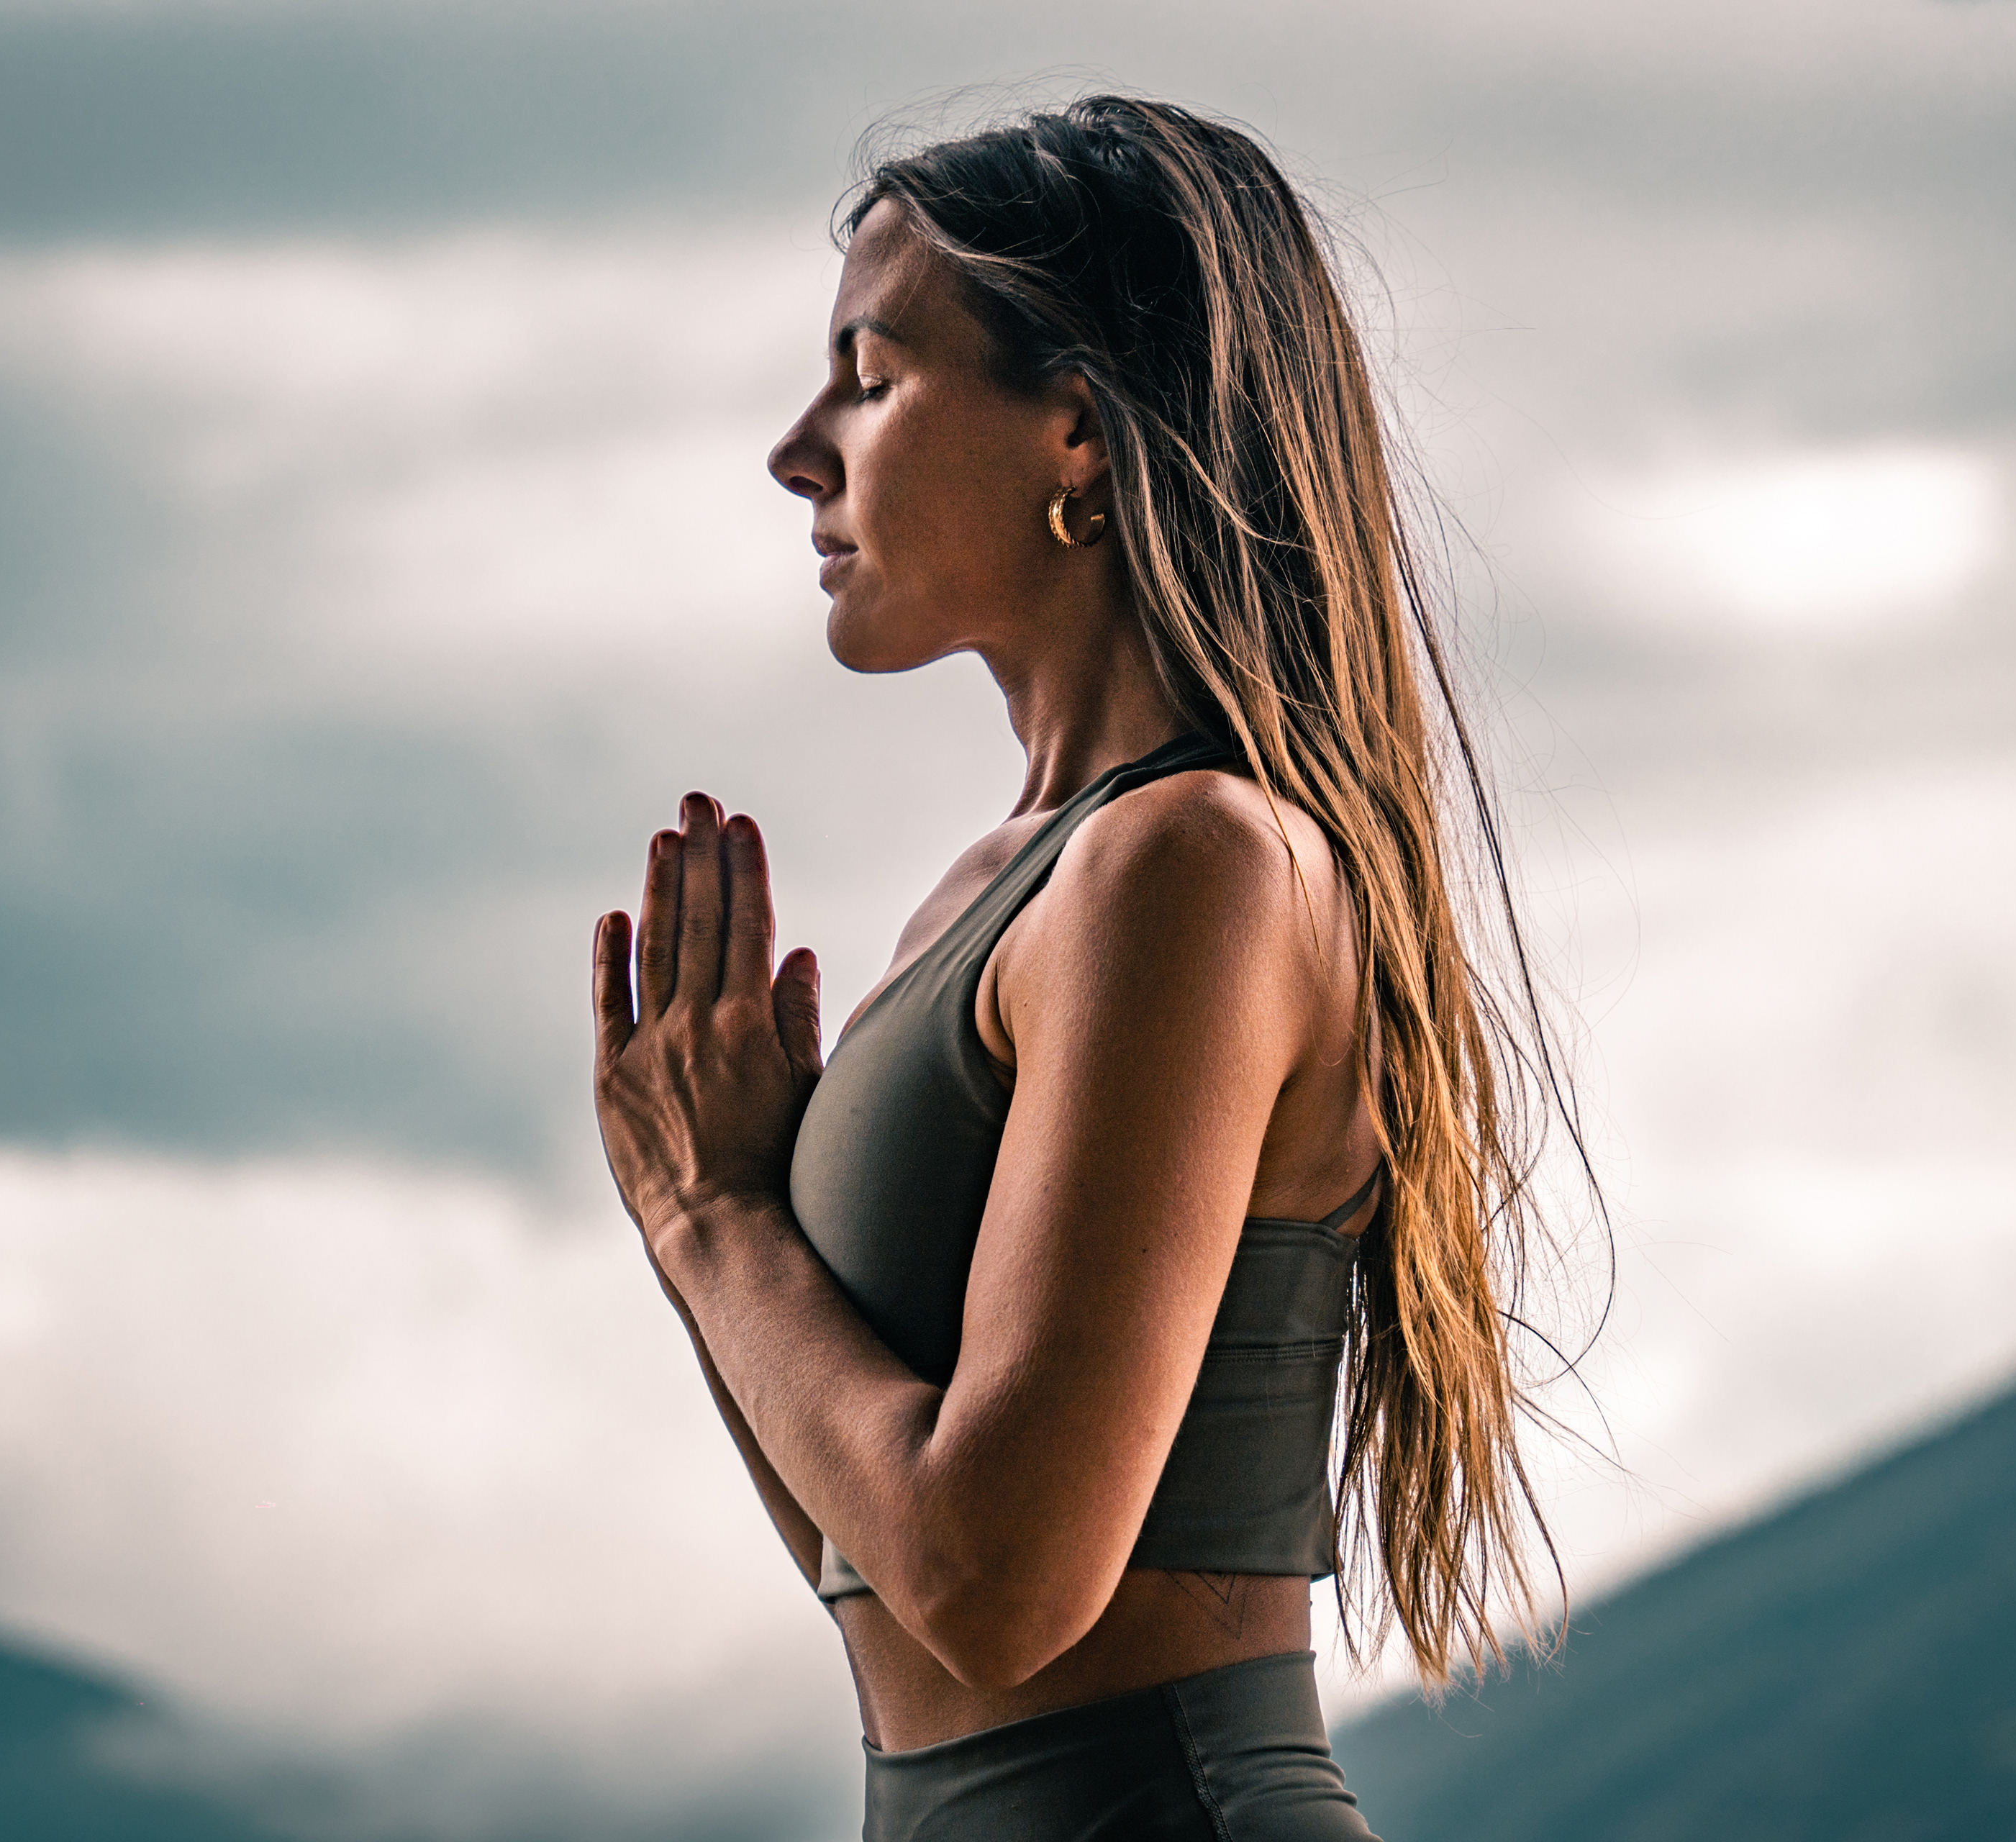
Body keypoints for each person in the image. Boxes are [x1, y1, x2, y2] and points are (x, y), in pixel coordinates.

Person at [592, 94, 1579, 1842]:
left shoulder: (1187, 863)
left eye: (872, 376)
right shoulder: (1012, 894)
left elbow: (994, 1579)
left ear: (1078, 433)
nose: (798, 451)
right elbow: (873, 1562)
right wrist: (708, 1205)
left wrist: (717, 1226)